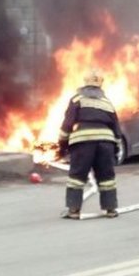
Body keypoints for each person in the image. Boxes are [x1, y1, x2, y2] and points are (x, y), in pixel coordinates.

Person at [57, 69, 122, 220]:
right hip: (106, 144)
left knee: (77, 176)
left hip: (83, 143)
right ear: (100, 87)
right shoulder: (107, 103)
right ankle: (111, 209)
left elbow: (67, 124)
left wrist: (62, 146)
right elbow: (116, 129)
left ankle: (73, 210)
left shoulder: (77, 99)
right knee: (106, 176)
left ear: (85, 85)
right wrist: (116, 148)